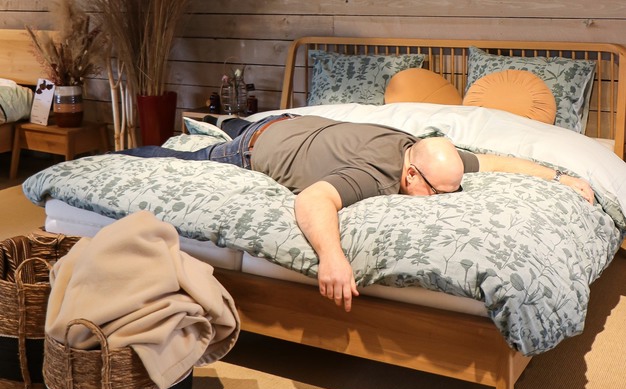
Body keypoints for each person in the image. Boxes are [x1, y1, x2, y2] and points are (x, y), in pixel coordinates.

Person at [116, 114, 595, 312]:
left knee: (245, 125)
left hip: (295, 124)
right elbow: (311, 200)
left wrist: (558, 178)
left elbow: (491, 160)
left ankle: (227, 121)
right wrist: (333, 257)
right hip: (254, 148)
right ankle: (125, 151)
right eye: (438, 193)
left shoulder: (431, 157)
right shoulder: (376, 173)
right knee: (178, 156)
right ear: (411, 175)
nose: (443, 200)